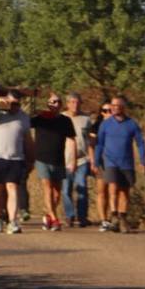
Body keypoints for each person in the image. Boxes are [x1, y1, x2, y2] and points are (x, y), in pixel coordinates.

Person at [94, 95, 145, 233]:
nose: (114, 108)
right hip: (110, 161)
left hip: (126, 162)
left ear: (123, 107)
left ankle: (122, 217)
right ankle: (114, 216)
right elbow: (99, 143)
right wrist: (95, 161)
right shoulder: (105, 124)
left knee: (124, 191)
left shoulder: (131, 124)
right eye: (113, 105)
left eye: (117, 105)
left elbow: (140, 142)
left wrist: (142, 161)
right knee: (113, 188)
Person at [0, 90, 33, 235]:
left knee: (12, 188)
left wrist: (31, 157)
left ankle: (13, 221)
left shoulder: (23, 117)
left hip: (16, 157)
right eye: (11, 103)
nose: (14, 106)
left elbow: (27, 138)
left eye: (17, 103)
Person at [32, 93, 77, 231]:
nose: (55, 104)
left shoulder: (65, 121)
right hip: (42, 158)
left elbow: (72, 140)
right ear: (47, 104)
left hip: (58, 159)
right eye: (52, 102)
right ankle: (55, 218)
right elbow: (24, 121)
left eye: (58, 102)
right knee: (47, 187)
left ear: (61, 105)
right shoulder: (39, 119)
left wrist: (73, 160)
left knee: (57, 192)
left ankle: (48, 216)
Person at [62, 93, 93, 227]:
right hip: (64, 159)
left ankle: (82, 216)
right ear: (67, 104)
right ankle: (69, 215)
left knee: (82, 187)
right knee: (66, 189)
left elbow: (90, 139)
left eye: (77, 102)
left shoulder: (86, 119)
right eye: (72, 102)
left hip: (82, 159)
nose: (75, 105)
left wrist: (92, 159)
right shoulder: (61, 118)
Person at [88, 101, 112, 229]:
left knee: (113, 191)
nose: (108, 113)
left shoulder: (119, 124)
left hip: (115, 161)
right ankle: (104, 219)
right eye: (105, 111)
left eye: (110, 110)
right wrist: (93, 161)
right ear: (101, 112)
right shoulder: (97, 126)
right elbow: (91, 145)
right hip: (101, 160)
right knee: (102, 191)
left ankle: (114, 217)